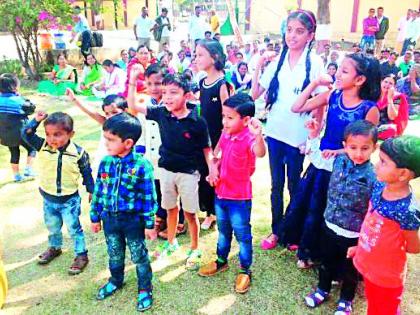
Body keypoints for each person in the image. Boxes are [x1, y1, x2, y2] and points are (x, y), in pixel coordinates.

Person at [282, 53, 381, 268]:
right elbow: (297, 107)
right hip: (321, 163)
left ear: (360, 80)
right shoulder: (333, 95)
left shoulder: (368, 109)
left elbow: (365, 148)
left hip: (345, 170)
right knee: (312, 207)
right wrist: (315, 82)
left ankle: (327, 257)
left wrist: (338, 153)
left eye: (344, 71)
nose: (337, 74)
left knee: (334, 212)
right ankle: (305, 250)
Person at [251, 10, 326, 250]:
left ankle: (291, 232)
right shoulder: (277, 62)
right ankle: (275, 231)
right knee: (276, 186)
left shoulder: (314, 63)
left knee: (295, 185)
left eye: (299, 31)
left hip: (298, 137)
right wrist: (258, 67)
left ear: (310, 35)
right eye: (289, 30)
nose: (292, 36)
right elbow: (255, 94)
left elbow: (320, 101)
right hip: (274, 132)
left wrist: (312, 136)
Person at [127, 68, 216, 270]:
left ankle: (194, 248)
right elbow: (132, 105)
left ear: (186, 95)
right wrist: (133, 80)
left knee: (190, 214)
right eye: (165, 92)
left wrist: (212, 170)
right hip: (166, 170)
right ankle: (171, 242)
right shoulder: (161, 113)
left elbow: (206, 149)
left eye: (173, 92)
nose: (167, 97)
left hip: (188, 174)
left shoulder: (197, 121)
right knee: (170, 209)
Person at [304, 120, 378, 314]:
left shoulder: (374, 176)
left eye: (365, 148)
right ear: (345, 146)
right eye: (353, 147)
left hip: (354, 234)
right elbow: (318, 160)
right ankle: (322, 290)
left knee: (350, 271)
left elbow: (374, 209)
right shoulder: (338, 160)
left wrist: (363, 238)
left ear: (374, 148)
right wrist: (312, 136)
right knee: (326, 262)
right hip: (330, 225)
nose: (359, 153)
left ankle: (346, 300)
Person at [198, 93, 266, 293]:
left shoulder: (249, 138)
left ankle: (245, 270)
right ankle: (221, 260)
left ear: (245, 120)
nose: (224, 121)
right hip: (220, 195)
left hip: (239, 199)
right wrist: (213, 170)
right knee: (223, 231)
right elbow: (215, 154)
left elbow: (260, 152)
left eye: (229, 117)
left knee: (243, 235)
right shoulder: (225, 133)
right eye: (223, 116)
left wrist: (259, 135)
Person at [90, 113, 157, 312]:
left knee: (139, 255)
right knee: (114, 254)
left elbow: (148, 197)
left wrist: (150, 225)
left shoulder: (142, 165)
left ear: (128, 143)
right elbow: (99, 191)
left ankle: (145, 288)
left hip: (132, 222)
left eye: (110, 140)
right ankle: (116, 280)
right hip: (110, 220)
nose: (106, 144)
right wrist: (95, 216)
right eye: (105, 139)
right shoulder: (105, 162)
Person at [349, 135, 420, 315]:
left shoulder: (407, 210)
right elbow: (371, 224)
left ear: (403, 174)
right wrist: (361, 248)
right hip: (368, 265)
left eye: (383, 162)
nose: (376, 165)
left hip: (386, 278)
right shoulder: (380, 187)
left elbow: (413, 247)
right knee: (374, 304)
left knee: (382, 310)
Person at [21, 111, 94, 274]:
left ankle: (81, 254)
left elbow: (87, 172)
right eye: (48, 134)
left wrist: (91, 190)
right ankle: (55, 247)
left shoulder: (79, 153)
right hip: (48, 198)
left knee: (74, 228)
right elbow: (26, 134)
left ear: (71, 134)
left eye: (57, 134)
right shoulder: (42, 146)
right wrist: (36, 121)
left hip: (70, 201)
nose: (52, 139)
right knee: (52, 227)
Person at [127, 64, 187, 239]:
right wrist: (132, 81)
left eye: (158, 83)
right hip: (152, 156)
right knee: (158, 188)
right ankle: (162, 216)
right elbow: (142, 132)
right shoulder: (144, 103)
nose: (154, 88)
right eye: (150, 83)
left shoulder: (173, 103)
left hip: (172, 155)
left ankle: (179, 221)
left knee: (176, 187)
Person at [196, 39, 232, 230]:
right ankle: (208, 211)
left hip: (218, 140)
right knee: (205, 175)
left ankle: (215, 213)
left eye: (201, 54)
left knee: (217, 175)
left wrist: (219, 147)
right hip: (204, 139)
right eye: (196, 54)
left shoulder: (223, 84)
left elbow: (228, 119)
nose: (197, 58)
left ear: (215, 56)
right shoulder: (202, 82)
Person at [0, 74, 36, 182]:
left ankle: (16, 176)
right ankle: (28, 169)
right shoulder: (19, 101)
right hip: (22, 133)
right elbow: (31, 108)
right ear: (14, 87)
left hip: (5, 135)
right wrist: (20, 97)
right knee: (32, 148)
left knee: (14, 152)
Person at [377, 74, 409, 140]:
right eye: (385, 82)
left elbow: (392, 116)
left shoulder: (397, 97)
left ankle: (373, 133)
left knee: (391, 129)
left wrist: (390, 99)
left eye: (390, 83)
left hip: (389, 125)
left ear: (394, 86)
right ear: (381, 82)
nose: (387, 85)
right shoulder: (376, 94)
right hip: (376, 124)